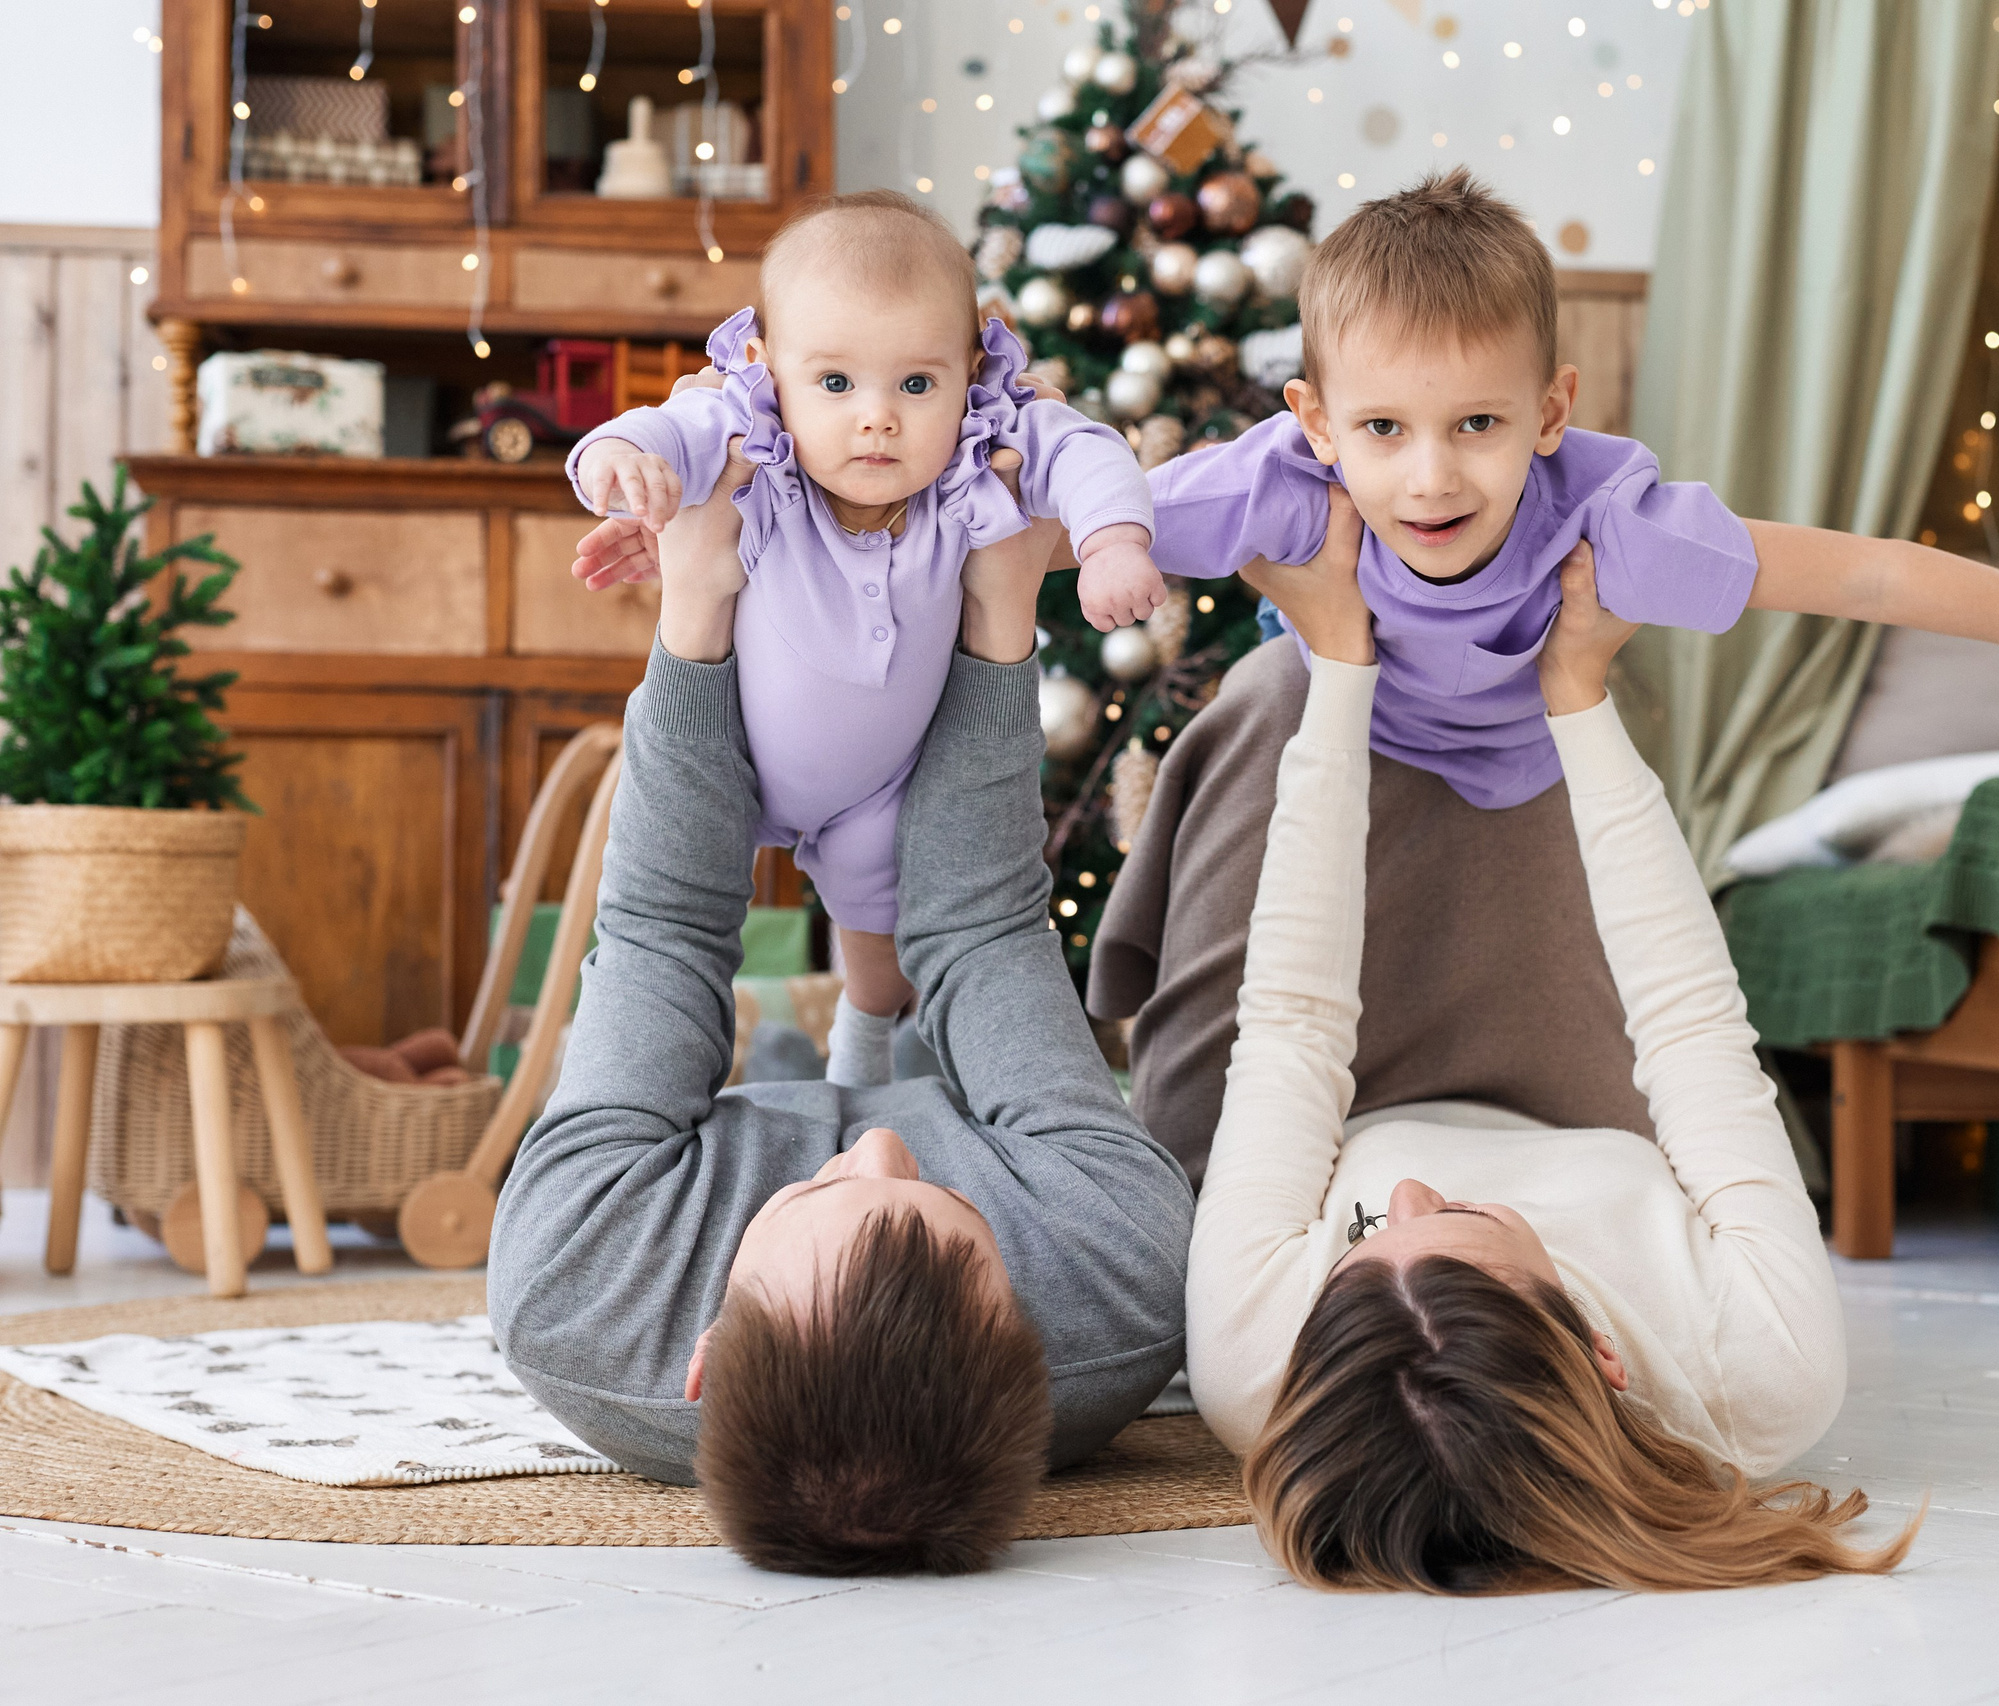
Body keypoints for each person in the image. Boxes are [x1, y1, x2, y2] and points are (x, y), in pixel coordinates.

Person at [1101, 165, 1999, 1178]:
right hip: (1329, 768)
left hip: (1524, 797)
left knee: (1639, 1129)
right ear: (1314, 422)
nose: (1430, 481)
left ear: (1551, 411)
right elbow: (1076, 524)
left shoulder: (1608, 527)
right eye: (1384, 431)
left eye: (1477, 425)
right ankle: (1192, 1189)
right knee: (1267, 696)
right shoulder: (1281, 489)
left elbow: (1870, 577)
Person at [487, 434, 1192, 1577]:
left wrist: (696, 617)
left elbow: (666, 924)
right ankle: (851, 1044)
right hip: (994, 1124)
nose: (878, 1148)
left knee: (764, 1041)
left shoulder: (580, 1277)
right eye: (927, 1195)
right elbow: (982, 925)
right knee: (919, 1032)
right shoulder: (1114, 1273)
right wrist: (999, 617)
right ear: (1031, 1323)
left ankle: (813, 1058)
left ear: (705, 1353)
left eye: (826, 1191)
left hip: (699, 1159)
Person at [1187, 502, 1910, 1593]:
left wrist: (1339, 670)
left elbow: (1289, 1025)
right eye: (1459, 1222)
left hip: (1328, 1078)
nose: (1418, 1187)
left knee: (1279, 691)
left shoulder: (1263, 1369)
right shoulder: (1762, 1369)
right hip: (1592, 1073)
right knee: (1525, 664)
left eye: (1370, 1229)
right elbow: (1691, 1026)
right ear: (1602, 1354)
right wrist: (1578, 695)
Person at [565, 190, 1165, 1089]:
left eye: (917, 384)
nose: (877, 417)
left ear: (971, 372)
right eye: (836, 384)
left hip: (879, 789)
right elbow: (660, 429)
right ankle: (702, 1075)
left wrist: (1114, 538)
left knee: (875, 943)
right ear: (770, 371)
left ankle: (861, 1044)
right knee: (681, 925)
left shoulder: (979, 449)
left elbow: (1088, 451)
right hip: (724, 757)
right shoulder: (753, 441)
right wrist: (620, 456)